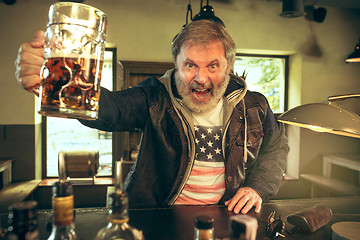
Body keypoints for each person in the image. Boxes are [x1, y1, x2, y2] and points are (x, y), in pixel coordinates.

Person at [15, 19, 289, 214]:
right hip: (156, 215)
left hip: (223, 215)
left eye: (213, 66)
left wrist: (258, 188)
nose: (201, 78)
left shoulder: (255, 106)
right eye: (190, 65)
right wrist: (55, 82)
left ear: (228, 66)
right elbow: (111, 108)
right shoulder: (154, 95)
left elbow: (277, 148)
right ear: (176, 65)